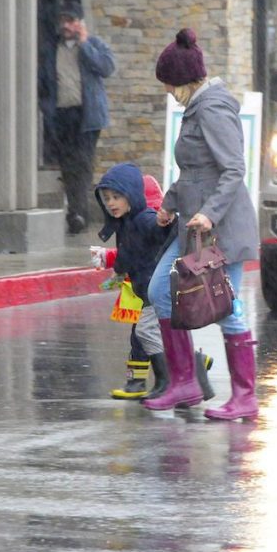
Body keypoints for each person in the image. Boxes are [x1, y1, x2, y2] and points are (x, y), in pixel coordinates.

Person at [143, 28, 261, 421]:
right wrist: (169, 205)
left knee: (226, 308)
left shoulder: (212, 107)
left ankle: (245, 396)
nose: (167, 92)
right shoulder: (195, 108)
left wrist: (209, 212)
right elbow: (193, 171)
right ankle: (184, 383)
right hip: (192, 231)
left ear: (185, 81)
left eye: (169, 85)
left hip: (219, 231)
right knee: (161, 290)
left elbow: (233, 169)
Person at [92, 163, 214, 401]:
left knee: (145, 331)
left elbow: (161, 232)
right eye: (107, 199)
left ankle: (164, 381)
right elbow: (126, 253)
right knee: (155, 334)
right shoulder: (125, 225)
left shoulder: (144, 219)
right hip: (146, 292)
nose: (111, 203)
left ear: (132, 196)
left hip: (156, 292)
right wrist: (117, 272)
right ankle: (193, 363)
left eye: (117, 197)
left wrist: (165, 222)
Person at [43, 2, 116, 235]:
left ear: (80, 23)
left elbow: (106, 67)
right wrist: (46, 108)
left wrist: (84, 43)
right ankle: (75, 210)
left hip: (87, 115)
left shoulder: (93, 45)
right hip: (62, 115)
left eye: (71, 20)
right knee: (67, 165)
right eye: (63, 20)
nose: (66, 25)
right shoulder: (52, 49)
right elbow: (43, 82)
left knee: (82, 163)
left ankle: (78, 213)